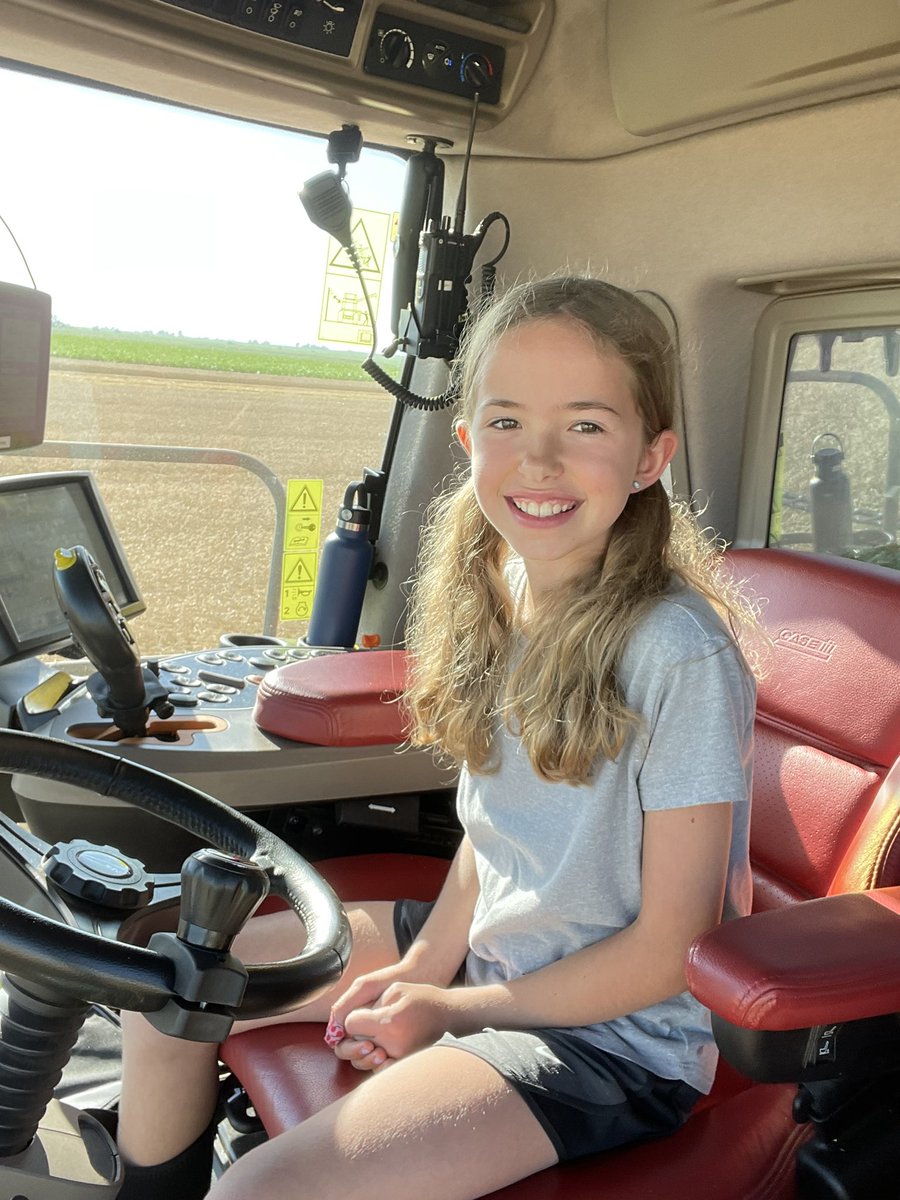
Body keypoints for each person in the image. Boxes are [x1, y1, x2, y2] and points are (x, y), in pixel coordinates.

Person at [114, 275, 757, 1200]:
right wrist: (425, 961)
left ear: (651, 456)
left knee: (260, 1193)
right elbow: (491, 836)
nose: (538, 460)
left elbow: (671, 948)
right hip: (488, 954)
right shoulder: (504, 589)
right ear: (467, 441)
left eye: (584, 425)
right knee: (170, 990)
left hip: (611, 1038)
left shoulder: (678, 653)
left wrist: (453, 1008)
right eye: (506, 423)